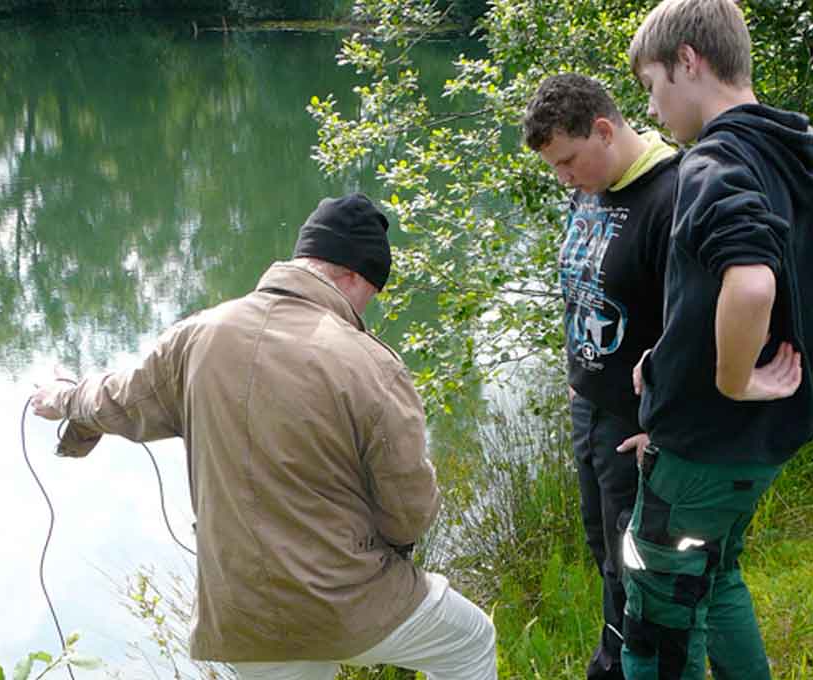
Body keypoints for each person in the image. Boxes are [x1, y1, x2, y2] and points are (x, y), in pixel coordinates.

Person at [31, 193, 498, 680]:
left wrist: (63, 397)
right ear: (353, 275)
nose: (364, 310)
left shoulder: (197, 335)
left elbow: (116, 400)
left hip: (242, 614)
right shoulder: (371, 363)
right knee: (470, 643)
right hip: (347, 602)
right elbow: (409, 512)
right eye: (370, 295)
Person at [622, 1, 813, 678]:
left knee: (658, 614)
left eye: (652, 85)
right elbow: (798, 291)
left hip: (703, 449)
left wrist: (730, 379)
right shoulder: (793, 156)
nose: (652, 109)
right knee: (715, 579)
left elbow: (750, 285)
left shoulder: (714, 162)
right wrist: (668, 358)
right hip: (756, 444)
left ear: (688, 61)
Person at [523, 73, 680, 680]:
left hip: (638, 421)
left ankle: (626, 667)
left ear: (604, 130)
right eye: (554, 168)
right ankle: (616, 659)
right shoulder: (589, 188)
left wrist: (665, 425)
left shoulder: (671, 193)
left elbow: (697, 324)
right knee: (602, 546)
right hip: (589, 406)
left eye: (568, 161)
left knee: (633, 560)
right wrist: (577, 371)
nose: (564, 178)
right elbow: (582, 283)